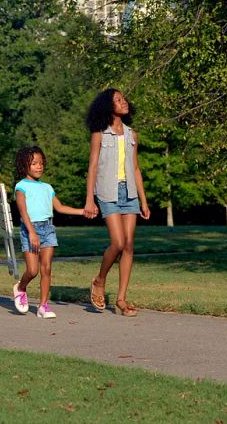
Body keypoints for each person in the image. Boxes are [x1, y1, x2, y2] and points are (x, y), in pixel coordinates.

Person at [83, 88, 150, 317]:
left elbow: (135, 167)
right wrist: (89, 199)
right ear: (108, 106)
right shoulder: (100, 133)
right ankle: (100, 280)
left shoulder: (132, 134)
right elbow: (92, 166)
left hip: (129, 192)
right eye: (118, 100)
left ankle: (121, 299)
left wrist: (143, 200)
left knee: (129, 245)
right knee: (118, 243)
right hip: (108, 192)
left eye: (124, 99)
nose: (124, 102)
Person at [12, 146, 85, 318]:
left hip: (48, 229)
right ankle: (21, 288)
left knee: (46, 269)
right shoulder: (21, 186)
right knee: (32, 270)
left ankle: (43, 306)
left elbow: (59, 207)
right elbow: (23, 212)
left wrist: (82, 211)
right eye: (34, 163)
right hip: (30, 229)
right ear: (25, 165)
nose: (39, 166)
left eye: (41, 163)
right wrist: (31, 232)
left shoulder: (47, 187)